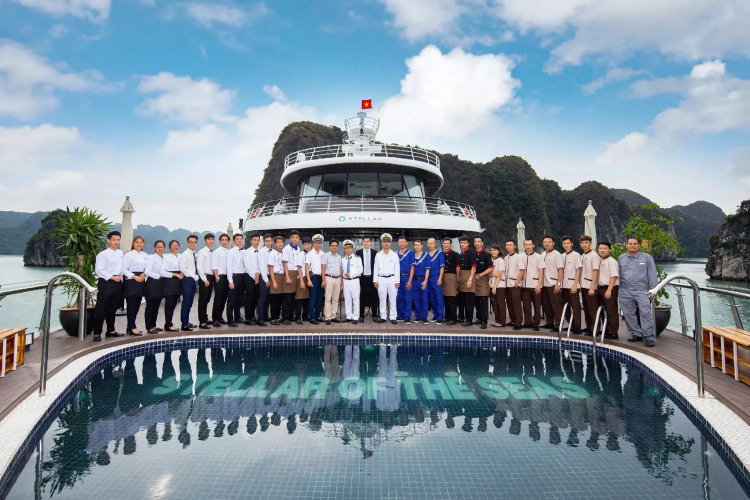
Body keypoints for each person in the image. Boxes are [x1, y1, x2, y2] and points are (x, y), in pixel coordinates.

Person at [618, 237, 658, 347]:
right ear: (626, 245)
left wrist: (653, 290)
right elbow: (619, 275)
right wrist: (618, 289)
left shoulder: (647, 258)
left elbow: (652, 274)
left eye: (635, 244)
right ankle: (636, 333)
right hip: (625, 290)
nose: (633, 245)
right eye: (630, 244)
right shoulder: (621, 258)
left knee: (645, 313)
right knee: (628, 313)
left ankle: (649, 337)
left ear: (638, 245)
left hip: (642, 290)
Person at [93, 231, 125, 341]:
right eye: (114, 240)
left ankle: (111, 330)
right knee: (101, 308)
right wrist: (112, 277)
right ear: (108, 240)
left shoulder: (120, 253)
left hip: (118, 283)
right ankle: (97, 333)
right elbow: (99, 270)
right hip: (106, 282)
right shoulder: (102, 254)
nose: (116, 242)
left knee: (112, 308)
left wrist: (119, 277)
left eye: (118, 240)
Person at [144, 240, 170, 334]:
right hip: (152, 283)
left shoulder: (165, 259)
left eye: (161, 247)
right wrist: (159, 275)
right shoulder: (151, 258)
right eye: (158, 247)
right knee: (150, 305)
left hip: (161, 283)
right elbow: (147, 271)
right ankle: (149, 326)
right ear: (155, 248)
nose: (160, 249)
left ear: (164, 248)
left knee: (156, 305)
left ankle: (153, 325)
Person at [122, 235, 146, 336]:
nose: (139, 244)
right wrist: (134, 276)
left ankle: (130, 327)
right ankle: (132, 327)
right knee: (131, 306)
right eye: (137, 242)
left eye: (141, 242)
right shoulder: (129, 255)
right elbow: (123, 269)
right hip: (131, 281)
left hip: (141, 280)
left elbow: (148, 267)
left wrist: (144, 274)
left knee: (137, 305)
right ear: (133, 243)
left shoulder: (145, 255)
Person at [373, 233, 399, 324]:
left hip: (392, 279)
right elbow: (376, 268)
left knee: (393, 298)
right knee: (382, 298)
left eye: (388, 242)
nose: (386, 243)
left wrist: (397, 281)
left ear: (390, 243)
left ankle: (393, 316)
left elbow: (397, 268)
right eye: (384, 242)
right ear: (382, 243)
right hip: (381, 279)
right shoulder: (378, 255)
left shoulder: (394, 255)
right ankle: (383, 316)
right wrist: (375, 280)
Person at [597, 241, 620, 339]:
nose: (602, 250)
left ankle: (613, 332)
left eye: (605, 248)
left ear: (609, 250)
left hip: (609, 288)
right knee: (604, 310)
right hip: (601, 288)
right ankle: (606, 329)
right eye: (600, 248)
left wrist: (609, 290)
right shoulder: (600, 260)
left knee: (611, 311)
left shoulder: (612, 261)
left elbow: (614, 277)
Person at [520, 238, 544, 331]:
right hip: (525, 285)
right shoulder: (521, 257)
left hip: (535, 284)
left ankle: (536, 323)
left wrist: (539, 285)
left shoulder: (539, 257)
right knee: (526, 305)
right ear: (524, 246)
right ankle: (527, 322)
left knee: (537, 305)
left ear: (533, 245)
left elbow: (541, 271)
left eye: (530, 244)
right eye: (526, 245)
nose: (528, 246)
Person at [541, 236, 564, 331]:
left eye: (549, 242)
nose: (547, 244)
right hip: (544, 284)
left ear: (553, 243)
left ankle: (558, 324)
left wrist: (558, 284)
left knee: (556, 305)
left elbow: (561, 270)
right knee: (546, 305)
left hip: (553, 283)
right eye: (545, 242)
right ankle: (549, 322)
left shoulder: (557, 255)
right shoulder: (542, 254)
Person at [561, 236, 583, 333]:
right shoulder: (562, 256)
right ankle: (571, 324)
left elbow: (578, 270)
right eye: (564, 243)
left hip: (572, 285)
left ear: (572, 244)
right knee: (566, 306)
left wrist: (575, 284)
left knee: (575, 306)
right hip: (563, 285)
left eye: (568, 243)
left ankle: (577, 327)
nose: (566, 245)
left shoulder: (576, 255)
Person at [579, 235, 601, 334]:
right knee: (586, 307)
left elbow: (596, 271)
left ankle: (595, 329)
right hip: (583, 285)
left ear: (590, 243)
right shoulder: (583, 255)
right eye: (582, 243)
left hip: (590, 286)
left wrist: (592, 287)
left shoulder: (594, 256)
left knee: (593, 308)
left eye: (586, 243)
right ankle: (589, 326)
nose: (584, 245)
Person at [161, 240, 183, 333]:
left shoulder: (180, 257)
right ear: (170, 247)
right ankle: (169, 324)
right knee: (169, 304)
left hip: (177, 282)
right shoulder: (167, 258)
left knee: (174, 303)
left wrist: (181, 273)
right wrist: (175, 274)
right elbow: (162, 272)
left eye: (177, 245)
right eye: (173, 245)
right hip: (170, 282)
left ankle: (167, 324)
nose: (175, 247)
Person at [178, 235, 199, 332]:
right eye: (191, 242)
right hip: (187, 280)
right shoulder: (185, 254)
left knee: (190, 302)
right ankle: (184, 324)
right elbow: (182, 268)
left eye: (195, 242)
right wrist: (192, 275)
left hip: (193, 280)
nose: (193, 244)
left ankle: (186, 321)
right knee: (186, 302)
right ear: (187, 243)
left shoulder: (195, 254)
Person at [356, 236, 379, 322]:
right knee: (361, 296)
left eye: (368, 241)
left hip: (372, 277)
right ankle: (361, 315)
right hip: (362, 278)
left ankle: (374, 315)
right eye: (364, 241)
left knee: (374, 297)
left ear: (370, 242)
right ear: (362, 242)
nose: (366, 243)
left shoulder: (375, 253)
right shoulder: (358, 253)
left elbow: (377, 266)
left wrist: (376, 279)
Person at [473, 236, 494, 329]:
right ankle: (479, 318)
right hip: (473, 278)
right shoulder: (472, 254)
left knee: (483, 300)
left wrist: (481, 274)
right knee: (476, 300)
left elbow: (490, 268)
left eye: (478, 241)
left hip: (483, 279)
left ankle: (484, 321)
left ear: (482, 243)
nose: (477, 243)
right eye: (475, 241)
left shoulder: (486, 255)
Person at [226, 234, 246, 327]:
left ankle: (237, 316)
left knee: (240, 298)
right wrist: (230, 281)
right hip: (234, 276)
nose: (239, 241)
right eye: (237, 239)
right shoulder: (230, 252)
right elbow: (229, 267)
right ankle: (230, 320)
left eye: (241, 239)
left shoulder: (244, 251)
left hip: (243, 276)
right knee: (231, 299)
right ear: (234, 241)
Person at [321, 239, 342, 325]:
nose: (334, 247)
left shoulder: (339, 257)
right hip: (329, 278)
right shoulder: (325, 255)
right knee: (328, 298)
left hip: (337, 278)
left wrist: (341, 281)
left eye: (336, 246)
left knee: (336, 299)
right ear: (329, 246)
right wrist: (323, 280)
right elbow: (323, 268)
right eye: (332, 246)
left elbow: (340, 269)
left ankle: (333, 316)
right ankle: (328, 317)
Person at [504, 240, 525, 330]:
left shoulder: (518, 257)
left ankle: (518, 322)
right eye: (507, 245)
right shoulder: (506, 258)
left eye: (510, 245)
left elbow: (522, 270)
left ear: (514, 246)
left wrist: (517, 281)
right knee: (509, 303)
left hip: (515, 284)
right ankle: (512, 320)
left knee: (516, 303)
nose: (509, 247)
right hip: (507, 283)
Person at [342, 240, 363, 324]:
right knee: (347, 299)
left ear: (352, 249)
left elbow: (360, 270)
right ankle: (348, 316)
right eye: (346, 248)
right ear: (344, 249)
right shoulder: (342, 259)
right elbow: (341, 270)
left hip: (354, 280)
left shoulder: (357, 258)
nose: (348, 250)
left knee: (355, 299)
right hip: (345, 281)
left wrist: (350, 274)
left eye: (349, 248)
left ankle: (355, 316)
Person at [210, 234, 230, 327]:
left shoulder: (228, 252)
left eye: (226, 240)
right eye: (222, 240)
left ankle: (220, 317)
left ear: (228, 241)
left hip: (227, 277)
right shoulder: (216, 252)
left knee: (224, 298)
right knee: (218, 298)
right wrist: (217, 277)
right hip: (219, 277)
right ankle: (215, 319)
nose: (224, 242)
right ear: (220, 241)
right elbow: (214, 266)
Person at [457, 235, 477, 327]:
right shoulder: (461, 254)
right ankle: (462, 317)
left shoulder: (471, 253)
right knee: (462, 300)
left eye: (465, 243)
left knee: (469, 301)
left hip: (469, 277)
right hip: (462, 278)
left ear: (468, 243)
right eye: (461, 243)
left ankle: (469, 320)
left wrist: (470, 279)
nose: (463, 244)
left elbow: (473, 267)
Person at [196, 233, 215, 330]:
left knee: (207, 299)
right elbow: (199, 267)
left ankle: (205, 318)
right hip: (205, 277)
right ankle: (202, 322)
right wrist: (204, 279)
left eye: (212, 239)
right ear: (205, 241)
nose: (210, 241)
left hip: (211, 277)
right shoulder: (201, 252)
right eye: (208, 239)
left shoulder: (213, 252)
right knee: (203, 300)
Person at [242, 233, 261, 326]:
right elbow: (247, 266)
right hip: (249, 277)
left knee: (255, 297)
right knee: (249, 297)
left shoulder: (259, 251)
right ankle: (248, 318)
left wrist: (258, 274)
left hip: (257, 276)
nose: (256, 242)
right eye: (254, 240)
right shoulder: (247, 252)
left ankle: (252, 316)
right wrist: (254, 276)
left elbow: (260, 265)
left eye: (258, 240)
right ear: (251, 241)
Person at [306, 234, 325, 324]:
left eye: (319, 243)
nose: (318, 245)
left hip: (321, 277)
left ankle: (317, 316)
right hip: (313, 277)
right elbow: (307, 267)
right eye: (316, 243)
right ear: (313, 243)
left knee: (319, 298)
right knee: (312, 298)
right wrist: (309, 280)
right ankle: (311, 317)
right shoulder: (310, 253)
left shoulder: (323, 254)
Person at [441, 237, 461, 325]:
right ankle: (447, 317)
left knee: (452, 298)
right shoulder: (442, 254)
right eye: (444, 243)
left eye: (447, 243)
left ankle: (453, 318)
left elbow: (458, 267)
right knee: (445, 298)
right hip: (443, 277)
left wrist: (457, 278)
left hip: (452, 276)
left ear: (451, 244)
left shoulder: (455, 254)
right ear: (442, 244)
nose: (446, 245)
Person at [396, 236, 415, 323]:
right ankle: (401, 315)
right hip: (397, 278)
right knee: (399, 298)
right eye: (400, 242)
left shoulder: (410, 253)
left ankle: (407, 316)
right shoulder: (396, 253)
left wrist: (410, 280)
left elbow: (412, 267)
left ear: (406, 243)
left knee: (408, 298)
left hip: (407, 277)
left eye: (403, 242)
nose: (401, 244)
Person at [256, 233, 274, 325]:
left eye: (270, 241)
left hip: (272, 276)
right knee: (262, 298)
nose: (268, 242)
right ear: (263, 242)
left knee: (268, 298)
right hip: (264, 276)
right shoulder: (261, 252)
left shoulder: (273, 251)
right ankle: (260, 318)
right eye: (266, 241)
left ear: (272, 241)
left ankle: (266, 316)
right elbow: (262, 266)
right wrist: (266, 279)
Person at [426, 238, 445, 323]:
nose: (430, 245)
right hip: (428, 279)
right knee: (431, 298)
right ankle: (435, 315)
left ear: (435, 244)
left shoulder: (440, 254)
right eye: (429, 244)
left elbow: (442, 267)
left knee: (439, 298)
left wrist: (440, 278)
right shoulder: (426, 254)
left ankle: (440, 316)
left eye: (432, 243)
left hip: (436, 278)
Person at [267, 236, 285, 325]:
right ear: (275, 243)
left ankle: (278, 317)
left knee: (281, 298)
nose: (280, 244)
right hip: (275, 276)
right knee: (275, 298)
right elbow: (270, 268)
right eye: (278, 242)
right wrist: (273, 281)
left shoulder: (284, 253)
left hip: (283, 276)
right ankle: (273, 318)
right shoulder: (272, 253)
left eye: (281, 242)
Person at [294, 237, 312, 324]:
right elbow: (299, 268)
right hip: (302, 277)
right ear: (302, 245)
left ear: (311, 244)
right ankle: (298, 317)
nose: (307, 246)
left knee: (307, 298)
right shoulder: (301, 254)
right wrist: (301, 281)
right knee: (300, 298)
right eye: (305, 244)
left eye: (308, 244)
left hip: (310, 277)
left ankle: (305, 315)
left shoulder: (312, 254)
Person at [411, 240, 429, 323]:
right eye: (415, 245)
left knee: (424, 299)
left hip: (423, 279)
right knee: (416, 299)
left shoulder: (426, 256)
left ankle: (424, 317)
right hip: (414, 280)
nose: (417, 246)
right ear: (413, 246)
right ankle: (417, 316)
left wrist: (425, 281)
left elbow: (427, 269)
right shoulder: (412, 256)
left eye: (419, 245)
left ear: (422, 246)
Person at [489, 244, 506, 328]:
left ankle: (502, 321)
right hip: (491, 284)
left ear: (498, 251)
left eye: (495, 250)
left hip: (499, 286)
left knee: (500, 304)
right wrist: (493, 274)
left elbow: (499, 275)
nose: (493, 252)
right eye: (491, 250)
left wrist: (495, 286)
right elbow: (489, 274)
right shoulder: (491, 260)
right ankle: (497, 320)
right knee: (495, 305)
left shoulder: (501, 261)